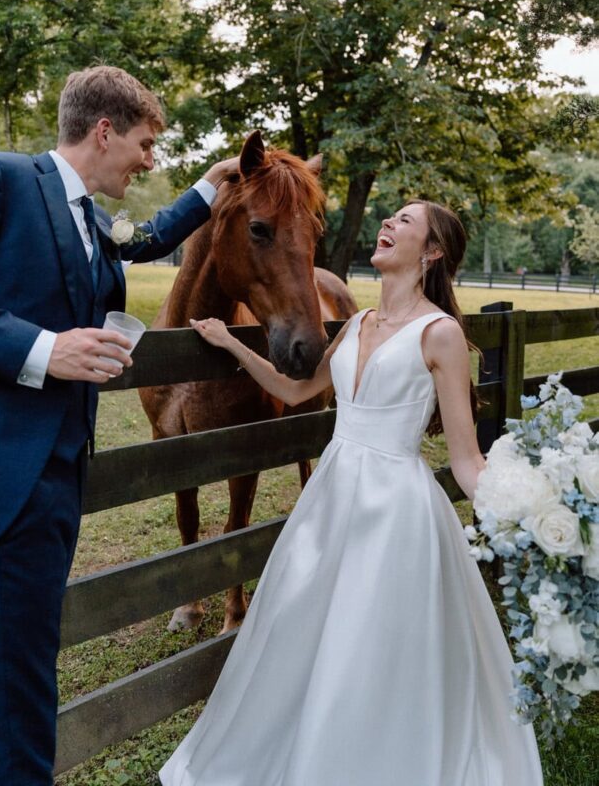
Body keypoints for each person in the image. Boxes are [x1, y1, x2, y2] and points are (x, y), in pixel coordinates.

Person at [0, 65, 238, 786]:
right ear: (104, 130)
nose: (151, 160)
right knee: (17, 690)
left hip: (58, 477)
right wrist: (43, 349)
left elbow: (147, 238)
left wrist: (212, 187)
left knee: (8, 679)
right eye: (147, 144)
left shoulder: (91, 215)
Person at [160, 199, 544, 786]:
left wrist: (527, 513)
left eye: (405, 222)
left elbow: (466, 461)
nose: (387, 223)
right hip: (331, 499)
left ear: (433, 251)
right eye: (390, 217)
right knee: (304, 625)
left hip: (396, 513)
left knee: (372, 642)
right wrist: (232, 345)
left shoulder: (440, 334)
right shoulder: (359, 322)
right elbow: (294, 391)